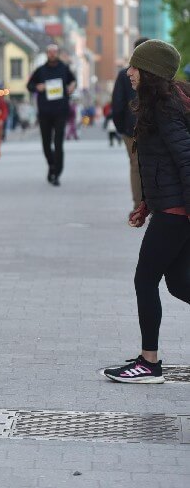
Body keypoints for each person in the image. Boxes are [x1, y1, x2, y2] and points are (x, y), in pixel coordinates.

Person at [103, 39, 190, 384]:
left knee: (145, 279)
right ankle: (147, 360)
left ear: (150, 71)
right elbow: (164, 167)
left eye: (135, 67)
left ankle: (148, 362)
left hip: (176, 212)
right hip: (170, 209)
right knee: (180, 283)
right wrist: (145, 205)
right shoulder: (162, 105)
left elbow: (185, 161)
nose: (129, 72)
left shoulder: (166, 109)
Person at [27, 44, 76, 186]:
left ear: (58, 53)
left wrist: (72, 86)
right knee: (46, 144)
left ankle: (57, 172)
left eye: (54, 52)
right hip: (45, 112)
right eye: (50, 52)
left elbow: (73, 81)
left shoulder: (64, 68)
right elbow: (29, 85)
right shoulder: (40, 70)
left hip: (61, 110)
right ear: (47, 54)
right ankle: (52, 165)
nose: (52, 54)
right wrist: (37, 87)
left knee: (58, 143)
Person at [112, 37, 149, 209]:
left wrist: (121, 128)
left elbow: (117, 104)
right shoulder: (155, 73)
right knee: (151, 165)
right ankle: (151, 205)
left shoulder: (123, 75)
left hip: (130, 128)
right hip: (149, 126)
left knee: (135, 166)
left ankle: (138, 205)